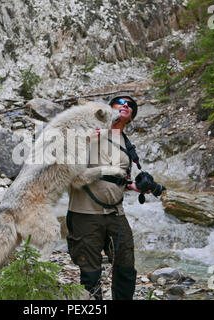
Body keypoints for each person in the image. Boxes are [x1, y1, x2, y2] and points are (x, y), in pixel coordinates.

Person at [66, 92, 147, 300]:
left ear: (131, 117)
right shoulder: (88, 132)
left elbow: (119, 179)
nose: (124, 105)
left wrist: (134, 187)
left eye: (130, 105)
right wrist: (86, 139)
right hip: (84, 213)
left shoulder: (127, 146)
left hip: (116, 214)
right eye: (119, 102)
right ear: (108, 109)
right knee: (90, 273)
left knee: (126, 267)